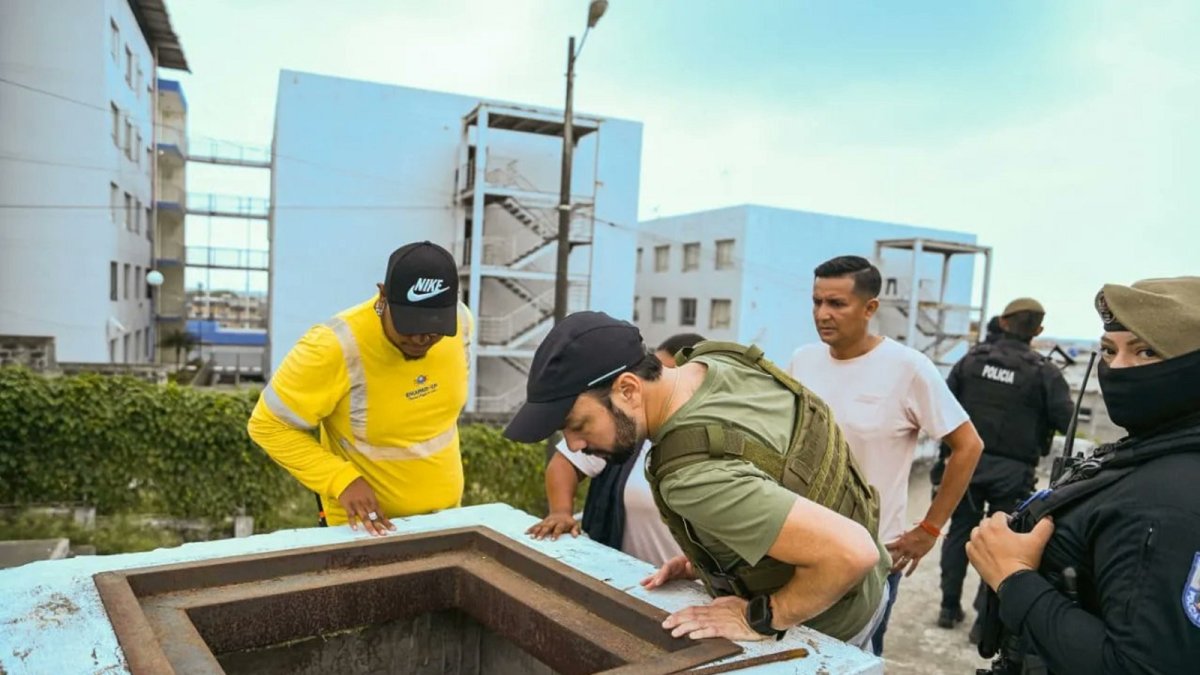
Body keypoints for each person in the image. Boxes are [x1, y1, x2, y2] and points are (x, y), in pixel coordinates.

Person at [505, 312, 890, 649]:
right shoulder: (718, 362)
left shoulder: (690, 474)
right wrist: (715, 560)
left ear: (628, 389)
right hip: (871, 591)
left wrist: (762, 617)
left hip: (830, 623)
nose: (574, 444)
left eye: (578, 425)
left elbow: (851, 554)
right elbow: (772, 463)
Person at [967, 276, 1200, 674]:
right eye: (1109, 351)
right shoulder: (1149, 450)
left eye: (1146, 352)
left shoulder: (1169, 505)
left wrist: (1013, 576)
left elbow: (1138, 666)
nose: (1119, 368)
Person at [787, 255, 983, 655]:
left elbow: (968, 445)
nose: (823, 314)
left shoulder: (907, 368)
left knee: (853, 661)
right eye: (817, 302)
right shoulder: (802, 361)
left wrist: (929, 530)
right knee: (792, 655)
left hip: (868, 557)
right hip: (799, 544)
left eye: (836, 304)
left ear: (870, 308)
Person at [248, 241, 472, 536]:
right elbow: (267, 425)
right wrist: (340, 479)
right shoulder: (333, 346)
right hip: (365, 531)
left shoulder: (462, 323)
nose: (421, 338)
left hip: (445, 521)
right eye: (410, 324)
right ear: (383, 296)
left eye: (434, 328)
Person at [938, 298, 1073, 640]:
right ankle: (984, 622)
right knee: (1002, 544)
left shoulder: (971, 360)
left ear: (1003, 322)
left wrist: (943, 461)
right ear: (1038, 331)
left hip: (966, 463)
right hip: (1014, 473)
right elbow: (1066, 421)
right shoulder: (1045, 372)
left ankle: (948, 607)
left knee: (959, 532)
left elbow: (944, 410)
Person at [525, 333, 706, 568]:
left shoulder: (712, 445)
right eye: (655, 370)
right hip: (624, 581)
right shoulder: (627, 430)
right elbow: (564, 463)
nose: (654, 382)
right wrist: (561, 512)